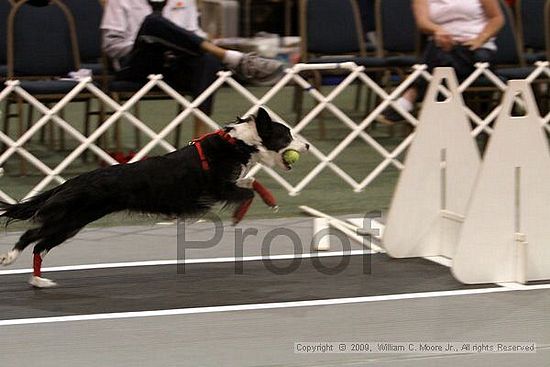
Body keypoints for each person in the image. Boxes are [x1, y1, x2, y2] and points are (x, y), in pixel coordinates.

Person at [100, 0, 285, 118]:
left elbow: (194, 35)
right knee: (153, 23)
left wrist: (187, 43)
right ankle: (232, 58)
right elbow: (111, 46)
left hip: (175, 65)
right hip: (137, 65)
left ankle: (200, 140)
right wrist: (154, 42)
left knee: (208, 61)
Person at [379, 0, 504, 124]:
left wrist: (480, 39)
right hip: (444, 47)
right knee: (440, 53)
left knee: (440, 59)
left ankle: (410, 96)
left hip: (477, 48)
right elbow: (423, 23)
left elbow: (497, 18)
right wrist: (437, 30)